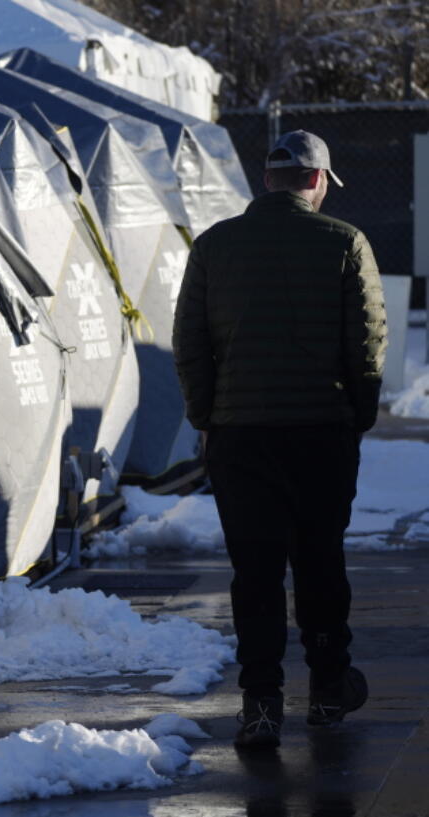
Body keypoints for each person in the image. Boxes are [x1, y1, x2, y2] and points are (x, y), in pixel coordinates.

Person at [172, 130, 387, 748]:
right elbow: (367, 345)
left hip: (242, 438)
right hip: (321, 432)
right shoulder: (345, 242)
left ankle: (261, 704)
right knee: (320, 560)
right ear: (318, 181)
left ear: (267, 180)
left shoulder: (213, 246)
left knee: (256, 571)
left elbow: (189, 344)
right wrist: (358, 415)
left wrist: (209, 417)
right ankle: (327, 689)